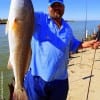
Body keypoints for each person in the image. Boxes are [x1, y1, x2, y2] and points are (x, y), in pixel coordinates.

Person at [23, 0, 99, 100]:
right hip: (37, 80)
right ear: (48, 8)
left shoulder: (67, 28)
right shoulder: (39, 18)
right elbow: (23, 14)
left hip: (60, 82)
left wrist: (87, 44)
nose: (57, 7)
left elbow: (74, 44)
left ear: (64, 7)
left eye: (59, 5)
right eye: (54, 5)